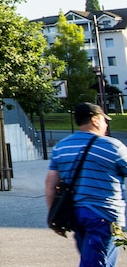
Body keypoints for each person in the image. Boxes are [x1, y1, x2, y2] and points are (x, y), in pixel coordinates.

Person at [46, 102, 127, 266]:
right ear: (95, 120)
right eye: (104, 120)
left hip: (76, 215)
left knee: (90, 258)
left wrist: (53, 216)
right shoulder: (112, 146)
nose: (106, 125)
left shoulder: (61, 147)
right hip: (104, 215)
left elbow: (50, 183)